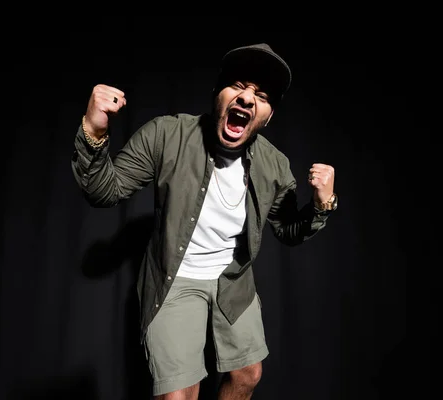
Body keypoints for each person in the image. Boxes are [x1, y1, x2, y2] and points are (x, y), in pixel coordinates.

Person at [71, 43, 338, 400]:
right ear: (218, 94)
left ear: (268, 115)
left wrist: (322, 205)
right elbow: (104, 191)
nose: (247, 98)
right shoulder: (167, 135)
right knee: (181, 394)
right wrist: (94, 130)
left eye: (260, 95)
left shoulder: (275, 166)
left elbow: (287, 231)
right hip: (174, 279)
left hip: (232, 280)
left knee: (248, 374)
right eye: (238, 86)